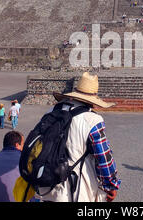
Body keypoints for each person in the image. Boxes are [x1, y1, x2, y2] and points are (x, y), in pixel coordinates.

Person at [35, 72, 121, 202]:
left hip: (47, 187)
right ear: (93, 99)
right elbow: (103, 157)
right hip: (77, 191)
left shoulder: (51, 112)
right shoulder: (92, 120)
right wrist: (111, 186)